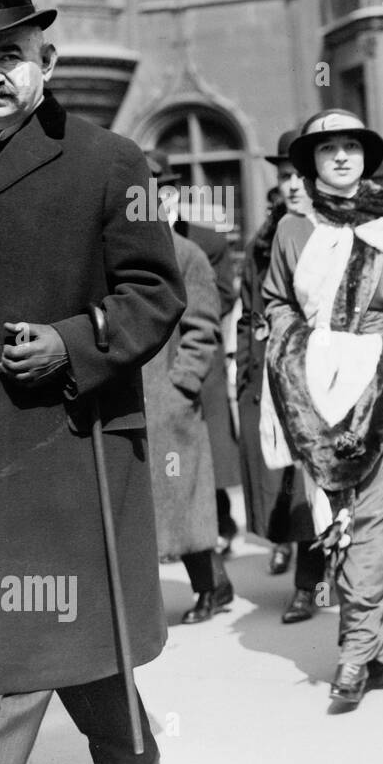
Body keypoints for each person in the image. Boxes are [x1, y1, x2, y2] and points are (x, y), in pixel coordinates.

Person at [0, 0, 183, 764]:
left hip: (60, 435)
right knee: (60, 617)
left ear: (46, 65)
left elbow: (153, 295)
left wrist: (70, 343)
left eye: (9, 56)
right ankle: (127, 748)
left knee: (9, 642)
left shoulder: (108, 160)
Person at [262, 110, 383, 707]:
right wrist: (306, 352)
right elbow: (277, 303)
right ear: (310, 161)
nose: (340, 157)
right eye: (327, 149)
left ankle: (353, 656)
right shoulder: (292, 228)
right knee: (336, 524)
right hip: (317, 391)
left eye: (350, 147)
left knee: (373, 522)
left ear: (366, 156)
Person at [237, 129, 326, 624]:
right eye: (284, 176)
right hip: (272, 366)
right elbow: (251, 310)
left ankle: (308, 584)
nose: (291, 185)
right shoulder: (266, 236)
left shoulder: (332, 230)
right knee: (280, 471)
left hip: (323, 368)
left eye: (299, 175)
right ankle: (292, 551)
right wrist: (248, 369)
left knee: (315, 473)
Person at [146, 149, 242, 555]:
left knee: (198, 469)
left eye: (159, 193)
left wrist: (182, 379)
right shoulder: (125, 245)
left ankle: (214, 561)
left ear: (171, 196)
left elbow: (212, 310)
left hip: (185, 373)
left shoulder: (196, 247)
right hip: (148, 382)